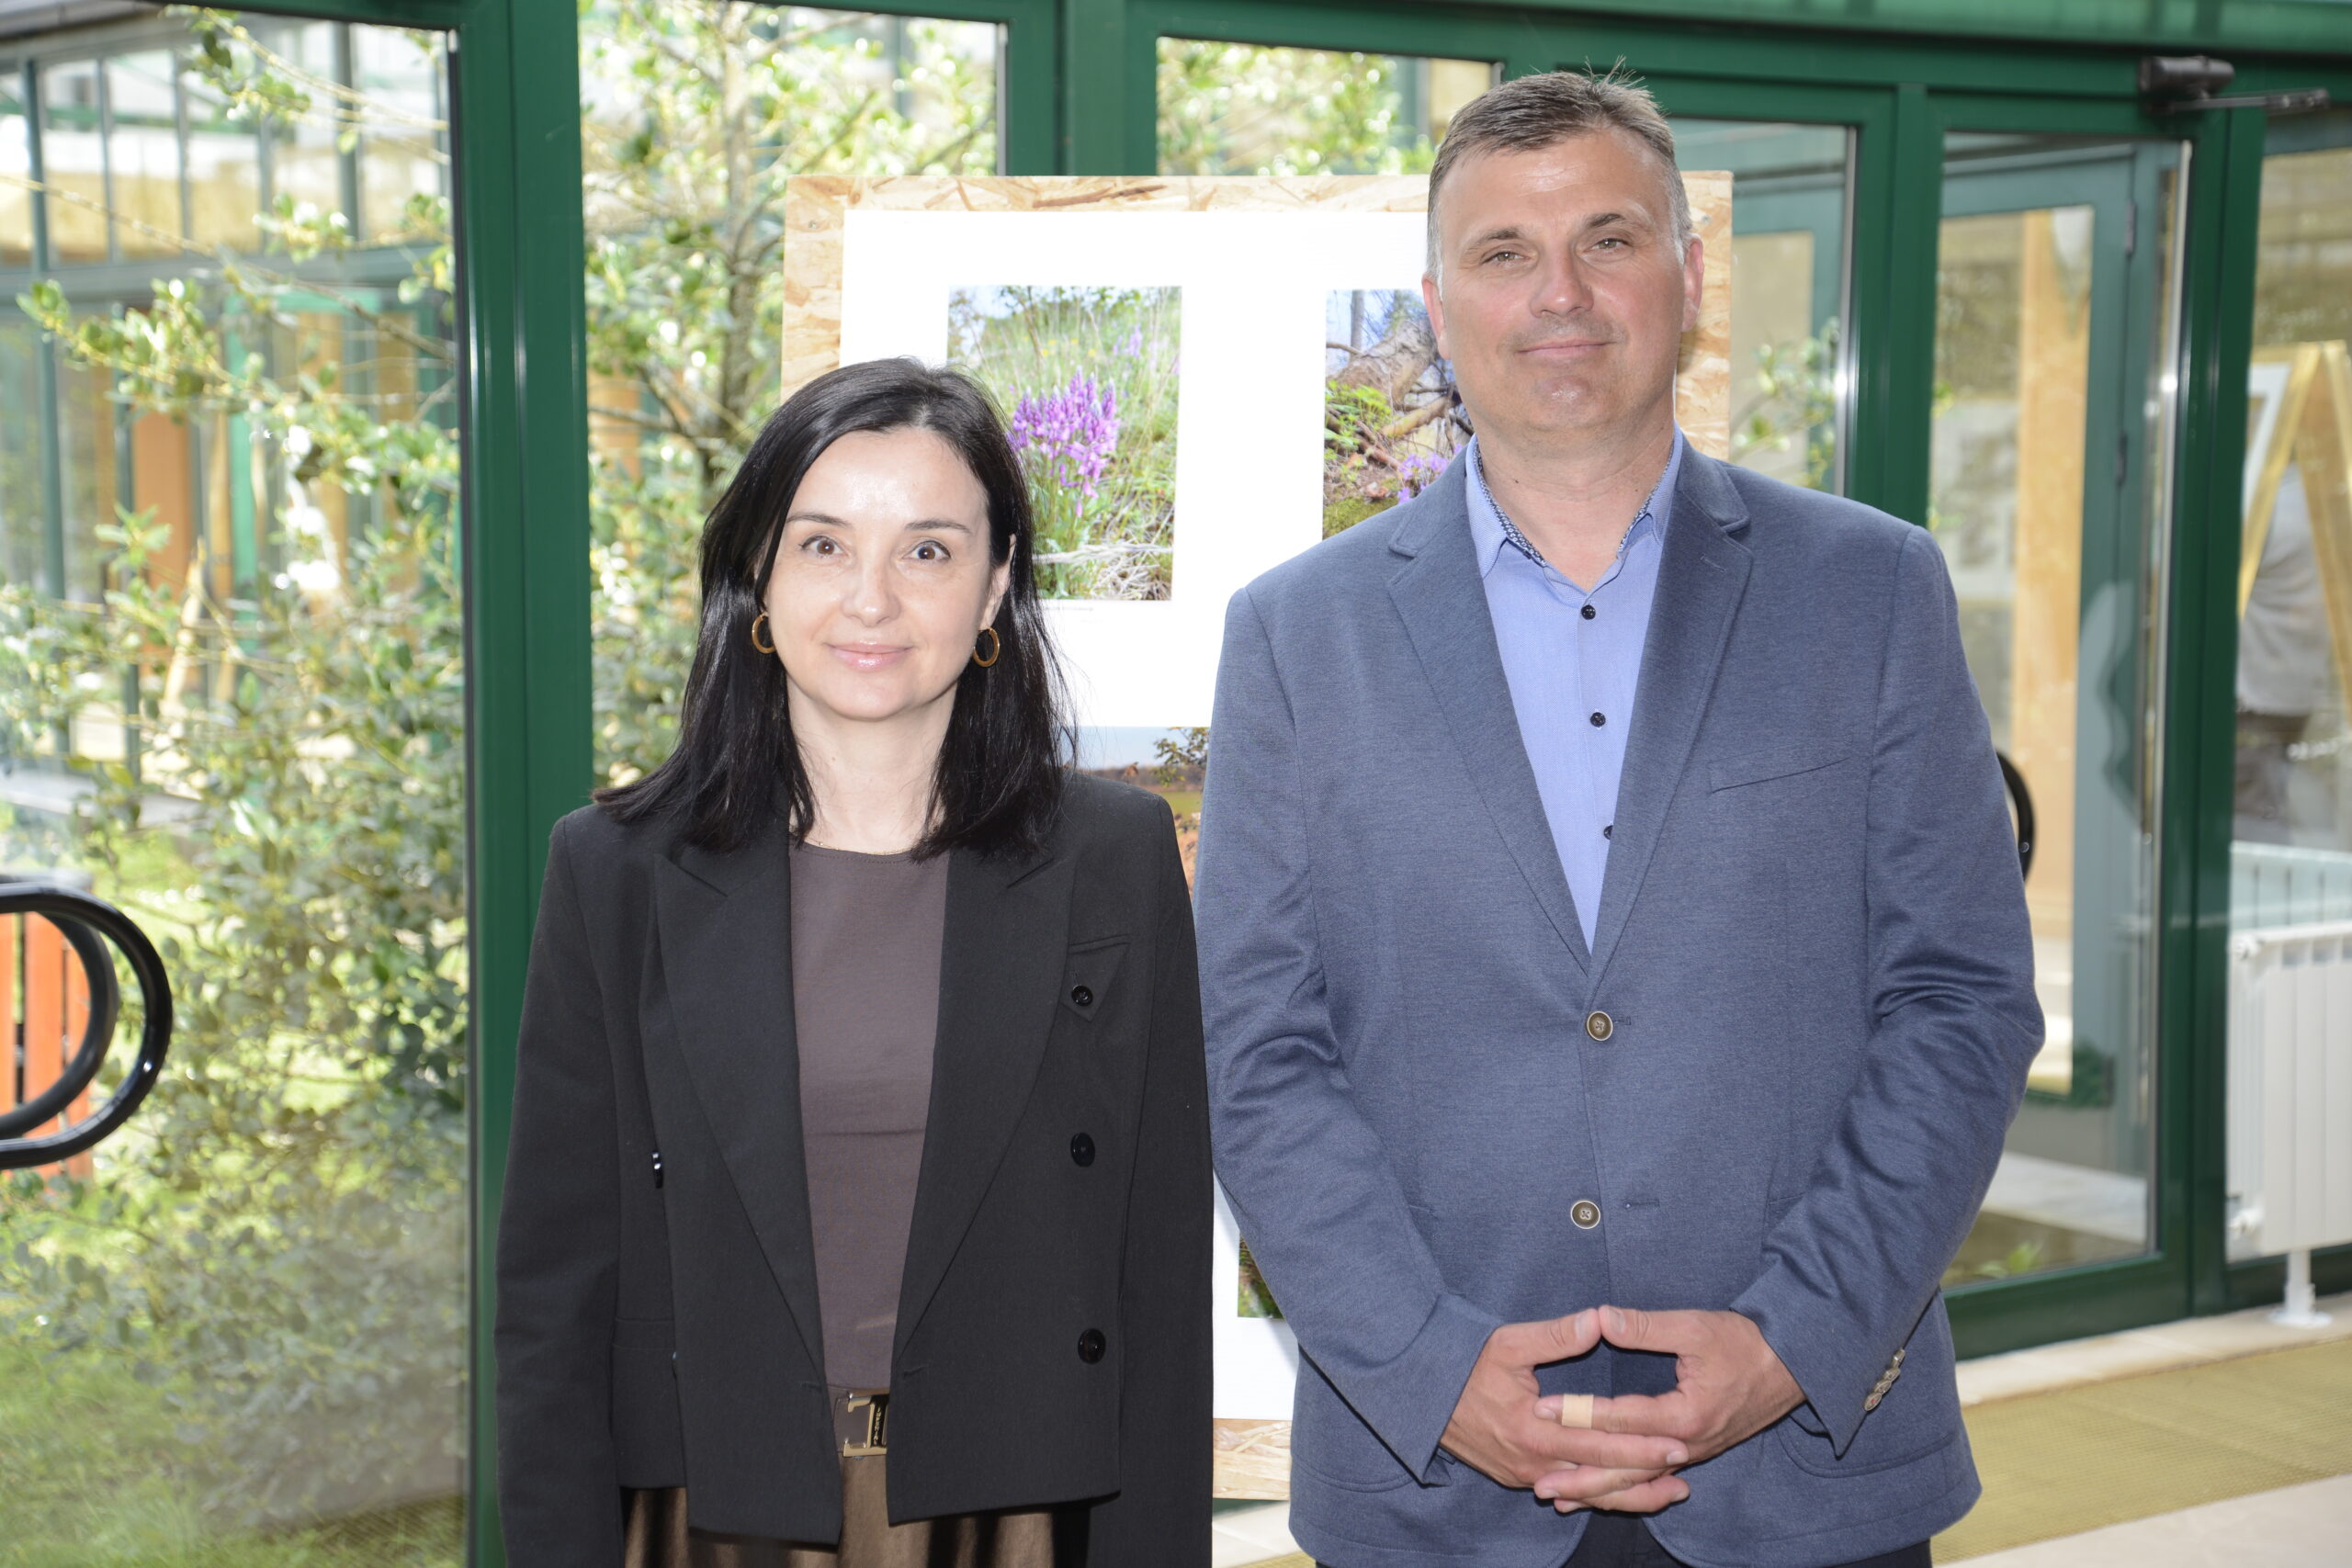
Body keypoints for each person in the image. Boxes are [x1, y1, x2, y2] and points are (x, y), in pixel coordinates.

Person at [1196, 69, 2041, 1568]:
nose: (1560, 294)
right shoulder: (1296, 637)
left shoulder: (1872, 592)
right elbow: (1258, 1050)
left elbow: (1961, 1002)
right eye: (1503, 253)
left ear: (1689, 275)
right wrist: (1433, 1369)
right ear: (1438, 308)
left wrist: (1791, 1339)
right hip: (1435, 1487)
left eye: (1609, 239)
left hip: (1806, 1471)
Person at [496, 358, 1209, 1567]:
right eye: (823, 545)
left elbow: (1158, 1275)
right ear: (758, 578)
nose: (871, 599)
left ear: (996, 585)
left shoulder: (1114, 856)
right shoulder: (614, 871)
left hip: (1016, 1516)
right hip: (711, 1513)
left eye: (927, 550)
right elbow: (553, 1299)